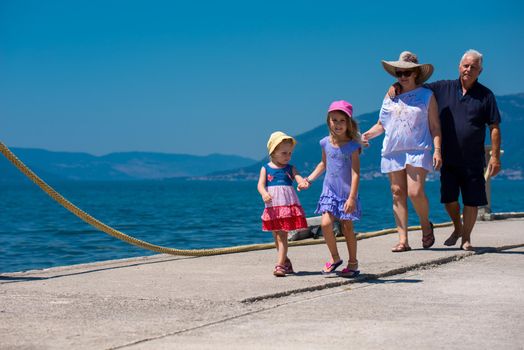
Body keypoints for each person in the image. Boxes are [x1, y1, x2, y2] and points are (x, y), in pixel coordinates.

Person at [388, 49, 501, 251]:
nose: (468, 69)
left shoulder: (486, 96)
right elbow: (415, 87)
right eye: (466, 65)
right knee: (448, 199)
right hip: (448, 156)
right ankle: (458, 227)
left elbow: (494, 127)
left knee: (471, 200)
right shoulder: (442, 88)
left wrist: (494, 157)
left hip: (473, 158)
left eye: (473, 67)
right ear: (459, 67)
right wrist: (396, 84)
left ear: (479, 71)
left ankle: (466, 238)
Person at [362, 51, 442, 252]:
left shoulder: (427, 95)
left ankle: (425, 224)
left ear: (415, 73)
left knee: (415, 192)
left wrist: (438, 150)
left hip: (418, 148)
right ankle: (403, 240)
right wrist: (366, 135)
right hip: (393, 149)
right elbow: (382, 124)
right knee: (397, 192)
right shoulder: (390, 96)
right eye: (399, 73)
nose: (402, 76)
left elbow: (435, 126)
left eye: (407, 72)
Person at [299, 100, 362, 277]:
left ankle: (353, 263)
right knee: (326, 223)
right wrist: (308, 180)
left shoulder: (353, 146)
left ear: (348, 123)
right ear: (329, 122)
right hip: (329, 192)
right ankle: (335, 258)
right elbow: (323, 164)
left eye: (342, 120)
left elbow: (356, 173)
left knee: (347, 227)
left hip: (346, 194)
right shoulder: (325, 143)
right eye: (334, 120)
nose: (338, 124)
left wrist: (352, 198)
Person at [257, 131, 309, 277]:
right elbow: (260, 185)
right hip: (273, 206)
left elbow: (298, 178)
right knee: (276, 235)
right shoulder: (265, 168)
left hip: (287, 206)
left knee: (282, 235)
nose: (288, 156)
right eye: (284, 153)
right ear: (273, 152)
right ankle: (285, 261)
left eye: (290, 153)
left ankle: (280, 266)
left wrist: (302, 183)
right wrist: (264, 193)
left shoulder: (290, 168)